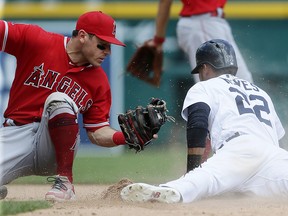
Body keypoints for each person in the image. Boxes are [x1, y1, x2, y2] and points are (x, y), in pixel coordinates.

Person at [120, 39, 288, 203]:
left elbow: (197, 124)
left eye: (200, 70)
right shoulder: (260, 92)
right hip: (272, 153)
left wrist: (192, 171)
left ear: (206, 68)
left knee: (202, 180)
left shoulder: (204, 86)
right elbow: (278, 137)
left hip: (238, 149)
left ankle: (171, 191)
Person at [0, 11, 129, 202]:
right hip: (14, 135)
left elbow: (97, 131)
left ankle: (65, 182)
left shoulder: (99, 81)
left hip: (53, 148)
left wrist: (123, 136)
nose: (108, 52)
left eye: (110, 47)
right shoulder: (38, 40)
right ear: (83, 36)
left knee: (59, 100)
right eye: (103, 45)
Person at [149, 0, 253, 83]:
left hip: (213, 22)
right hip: (201, 22)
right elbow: (165, 2)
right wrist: (158, 40)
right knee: (214, 87)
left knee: (244, 84)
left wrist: (158, 40)